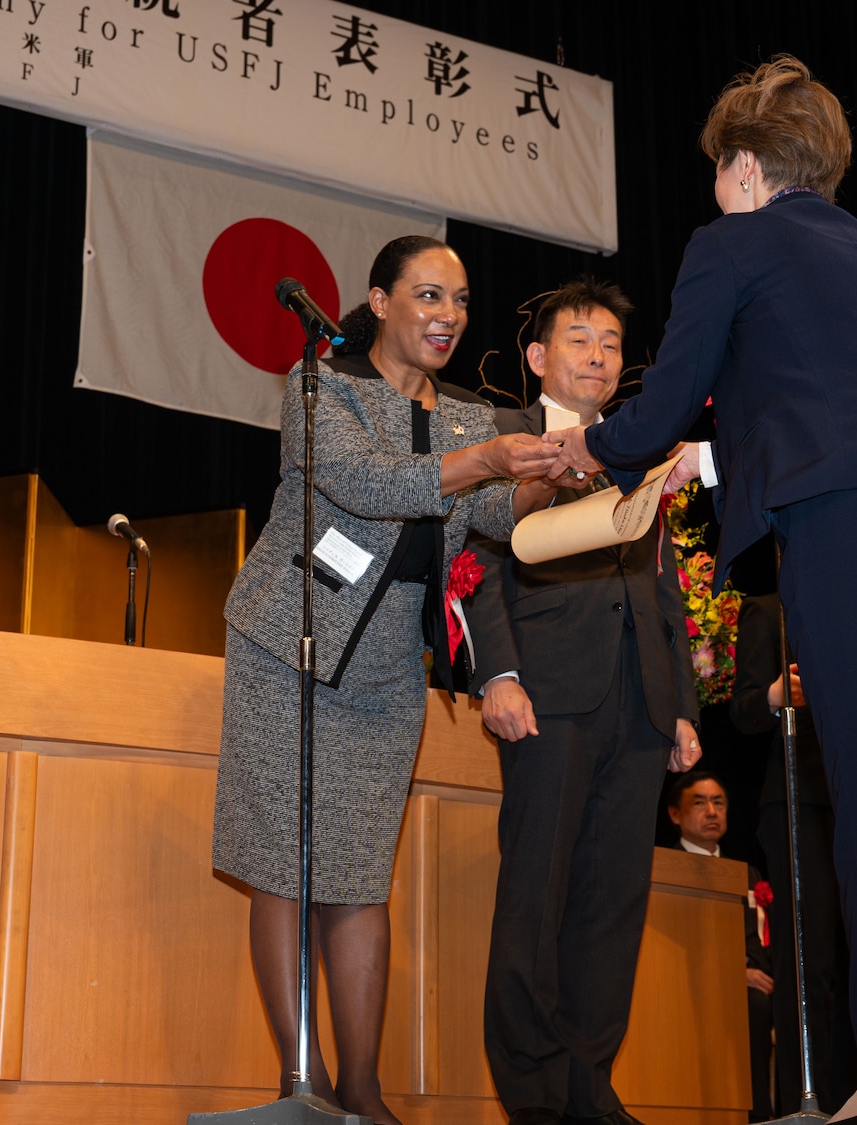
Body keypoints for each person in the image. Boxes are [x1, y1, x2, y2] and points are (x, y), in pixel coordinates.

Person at [546, 56, 857, 1125]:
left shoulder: (731, 242)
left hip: (855, 518)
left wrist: (593, 447)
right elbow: (833, 399)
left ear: (740, 166)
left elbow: (667, 396)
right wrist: (705, 464)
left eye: (716, 167)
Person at [211, 235, 561, 1125]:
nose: (448, 315)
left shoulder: (470, 414)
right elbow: (362, 482)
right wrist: (491, 461)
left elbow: (486, 514)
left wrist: (552, 474)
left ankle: (363, 1092)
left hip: (388, 664)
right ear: (379, 301)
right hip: (284, 647)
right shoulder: (320, 383)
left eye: (461, 299)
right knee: (281, 867)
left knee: (361, 875)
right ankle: (306, 1083)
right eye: (429, 295)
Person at [461, 276, 702, 1125]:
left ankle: (588, 1090)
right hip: (546, 693)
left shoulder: (638, 445)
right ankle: (533, 1091)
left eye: (610, 344)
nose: (598, 356)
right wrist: (499, 674)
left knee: (612, 906)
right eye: (579, 340)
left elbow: (664, 586)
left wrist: (680, 704)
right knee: (537, 895)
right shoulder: (497, 439)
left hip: (638, 700)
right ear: (538, 356)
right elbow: (474, 565)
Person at [731, 592, 857, 1114]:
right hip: (802, 800)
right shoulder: (771, 610)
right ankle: (807, 1106)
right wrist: (775, 694)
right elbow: (742, 709)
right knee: (812, 964)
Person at [664, 772, 775, 1123]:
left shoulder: (746, 874)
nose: (712, 812)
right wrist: (732, 973)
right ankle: (756, 1115)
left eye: (719, 803)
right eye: (699, 803)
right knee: (754, 1004)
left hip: (758, 980)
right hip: (690, 983)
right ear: (675, 814)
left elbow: (759, 940)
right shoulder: (664, 870)